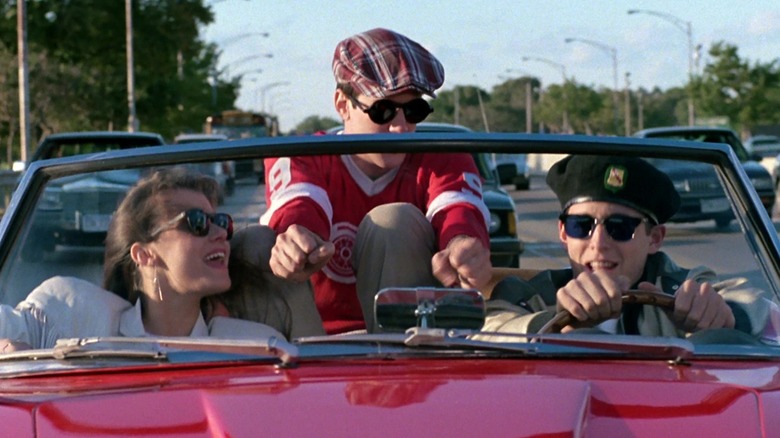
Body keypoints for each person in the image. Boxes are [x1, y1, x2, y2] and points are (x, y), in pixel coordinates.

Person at [261, 28, 492, 334]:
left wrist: (461, 244)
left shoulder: (443, 156)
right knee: (254, 244)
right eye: (383, 111)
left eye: (414, 110)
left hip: (411, 342)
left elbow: (457, 208)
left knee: (393, 221)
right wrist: (298, 237)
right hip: (315, 345)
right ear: (343, 105)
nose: (400, 127)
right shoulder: (301, 154)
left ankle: (400, 365)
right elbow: (299, 202)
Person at [0, 167, 288, 351]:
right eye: (197, 222)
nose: (220, 234)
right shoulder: (72, 311)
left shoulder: (256, 345)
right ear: (144, 254)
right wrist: (12, 351)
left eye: (222, 222)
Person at [484, 155, 770, 337]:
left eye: (620, 228)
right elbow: (485, 332)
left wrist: (725, 314)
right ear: (563, 233)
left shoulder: (679, 287)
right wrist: (555, 323)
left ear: (654, 238)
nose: (598, 244)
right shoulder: (528, 293)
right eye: (580, 227)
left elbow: (756, 305)